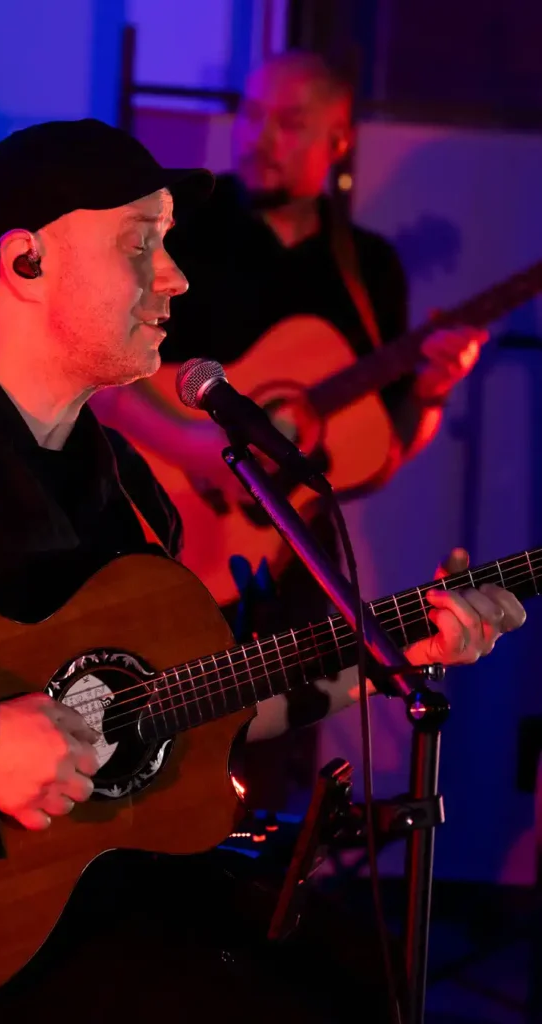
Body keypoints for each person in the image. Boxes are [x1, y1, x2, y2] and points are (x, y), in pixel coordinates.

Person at [0, 119, 524, 1024]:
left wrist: (396, 651)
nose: (174, 277)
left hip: (82, 900)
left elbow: (197, 706)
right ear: (24, 262)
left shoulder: (125, 485)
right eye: (141, 244)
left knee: (360, 975)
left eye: (167, 245)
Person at [91, 49, 488, 811]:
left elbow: (376, 455)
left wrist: (431, 394)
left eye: (288, 122)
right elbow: (104, 377)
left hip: (292, 562)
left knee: (270, 778)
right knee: (150, 746)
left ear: (337, 139)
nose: (259, 137)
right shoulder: (184, 228)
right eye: (251, 115)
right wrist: (201, 452)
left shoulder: (366, 268)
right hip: (162, 531)